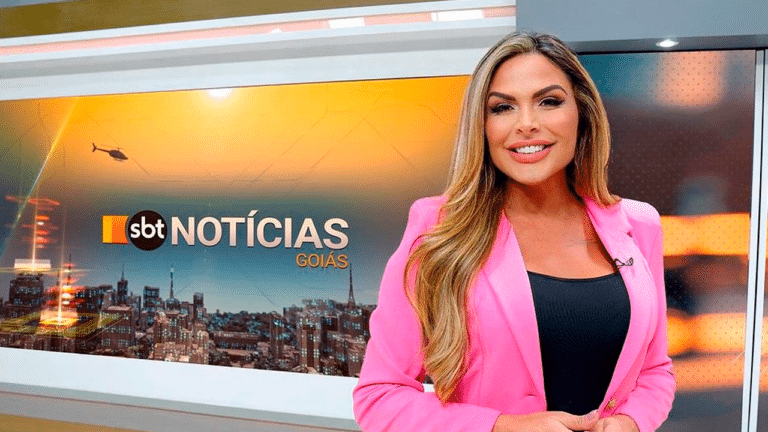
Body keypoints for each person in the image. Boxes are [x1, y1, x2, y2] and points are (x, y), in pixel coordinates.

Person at [352, 32, 675, 432]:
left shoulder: (640, 225)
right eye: (503, 107)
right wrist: (504, 427)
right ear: (482, 126)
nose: (526, 124)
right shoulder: (438, 227)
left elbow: (655, 371)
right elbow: (380, 398)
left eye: (549, 101)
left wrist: (630, 421)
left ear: (582, 113)